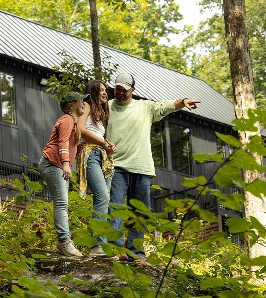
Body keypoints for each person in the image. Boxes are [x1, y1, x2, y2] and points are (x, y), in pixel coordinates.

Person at [106, 73, 200, 261]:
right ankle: (116, 250)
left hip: (141, 168)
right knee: (114, 208)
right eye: (117, 89)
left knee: (140, 212)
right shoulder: (106, 107)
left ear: (133, 89)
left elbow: (165, 106)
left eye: (124, 89)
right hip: (116, 167)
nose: (120, 92)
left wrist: (182, 102)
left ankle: (136, 252)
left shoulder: (144, 107)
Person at [38, 91, 89, 257]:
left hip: (58, 165)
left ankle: (62, 243)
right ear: (71, 104)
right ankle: (65, 242)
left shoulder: (72, 122)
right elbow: (63, 143)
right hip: (53, 164)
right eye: (81, 101)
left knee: (63, 203)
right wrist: (66, 164)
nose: (84, 103)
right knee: (61, 202)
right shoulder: (67, 120)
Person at [76, 80, 116, 257]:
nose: (105, 93)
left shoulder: (102, 113)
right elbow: (80, 129)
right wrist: (103, 142)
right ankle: (97, 246)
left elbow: (99, 136)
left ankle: (101, 245)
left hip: (102, 156)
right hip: (90, 154)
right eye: (101, 90)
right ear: (93, 92)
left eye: (106, 90)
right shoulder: (86, 105)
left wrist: (108, 146)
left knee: (105, 201)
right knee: (102, 197)